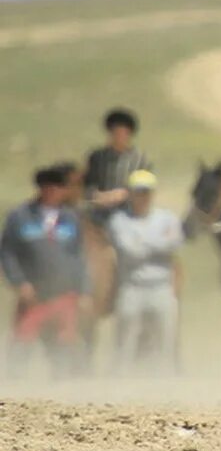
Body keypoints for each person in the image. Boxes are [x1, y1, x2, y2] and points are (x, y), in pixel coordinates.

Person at [1, 166, 90, 376]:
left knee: (66, 341)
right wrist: (19, 282)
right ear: (40, 188)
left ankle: (64, 385)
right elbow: (8, 253)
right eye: (48, 186)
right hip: (34, 294)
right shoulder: (20, 217)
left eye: (58, 187)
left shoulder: (70, 218)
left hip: (64, 293)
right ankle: (14, 385)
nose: (53, 191)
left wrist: (84, 289)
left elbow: (78, 256)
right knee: (23, 338)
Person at [108, 170, 184, 374]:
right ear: (130, 193)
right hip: (131, 288)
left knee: (166, 343)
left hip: (162, 288)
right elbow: (128, 251)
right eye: (138, 192)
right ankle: (120, 386)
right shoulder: (119, 220)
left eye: (147, 192)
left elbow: (175, 243)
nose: (143, 196)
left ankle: (166, 388)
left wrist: (142, 242)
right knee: (125, 342)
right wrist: (160, 243)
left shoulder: (167, 218)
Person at [83, 108, 153, 223]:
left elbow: (145, 189)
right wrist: (101, 197)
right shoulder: (97, 157)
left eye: (123, 132)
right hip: (100, 212)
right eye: (115, 132)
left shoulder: (140, 160)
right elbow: (88, 187)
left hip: (130, 214)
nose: (119, 136)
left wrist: (123, 195)